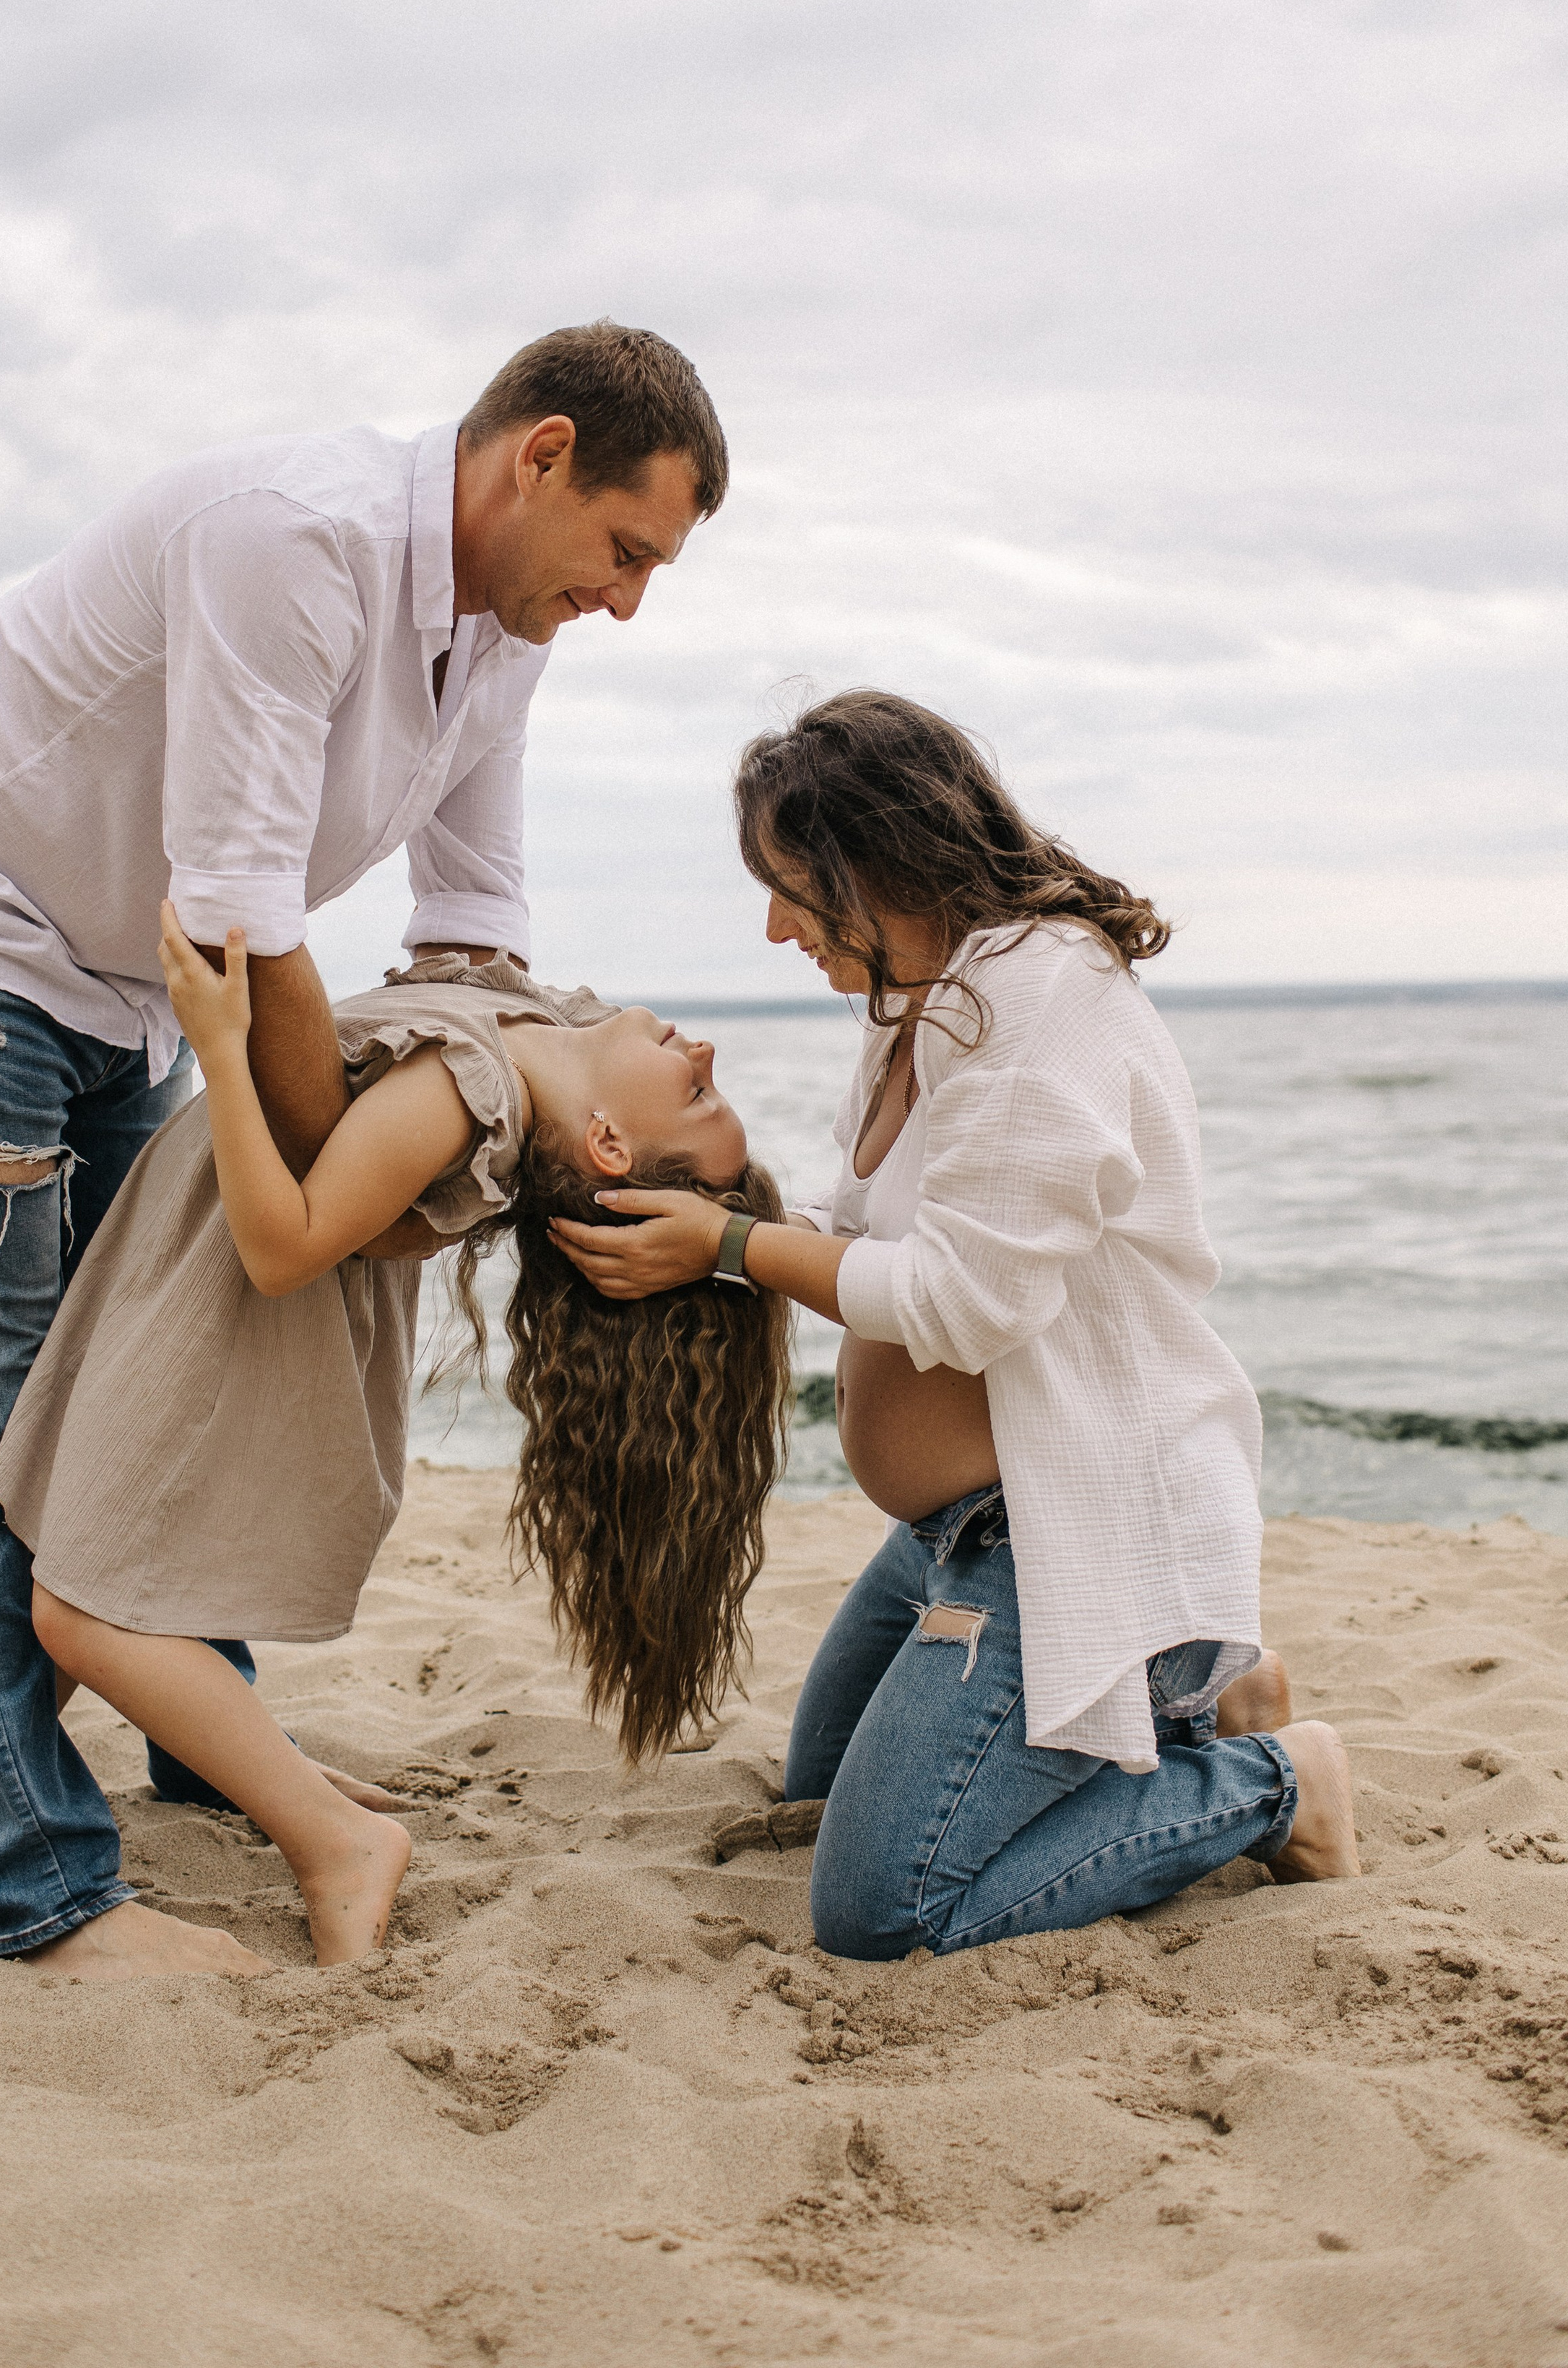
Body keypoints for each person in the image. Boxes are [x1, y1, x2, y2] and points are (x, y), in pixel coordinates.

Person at [0, 320, 728, 1974]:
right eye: (626, 549)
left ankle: (178, 1753)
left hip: (128, 993)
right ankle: (48, 1885)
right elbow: (239, 913)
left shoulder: (506, 632)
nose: (628, 599)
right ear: (539, 455)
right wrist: (350, 1198)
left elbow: (474, 932)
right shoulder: (296, 542)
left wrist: (436, 1154)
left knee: (139, 1383)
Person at [552, 690, 1360, 1958]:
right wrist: (699, 1218)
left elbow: (962, 1302)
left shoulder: (1040, 1005)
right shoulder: (923, 996)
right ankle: (1208, 1694)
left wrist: (728, 1249)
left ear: (880, 859)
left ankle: (1275, 1783)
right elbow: (875, 1222)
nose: (773, 927)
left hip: (1069, 1521)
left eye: (790, 887)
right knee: (821, 1786)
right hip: (953, 1533)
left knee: (886, 1902)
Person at [0, 915, 789, 1966]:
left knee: (84, 1605)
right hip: (194, 1266)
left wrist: (220, 1049)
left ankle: (337, 1844)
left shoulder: (474, 1092)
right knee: (76, 1521)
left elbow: (285, 1252)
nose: (706, 1056)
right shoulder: (534, 1024)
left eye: (698, 1097)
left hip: (233, 1304)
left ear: (610, 1143)